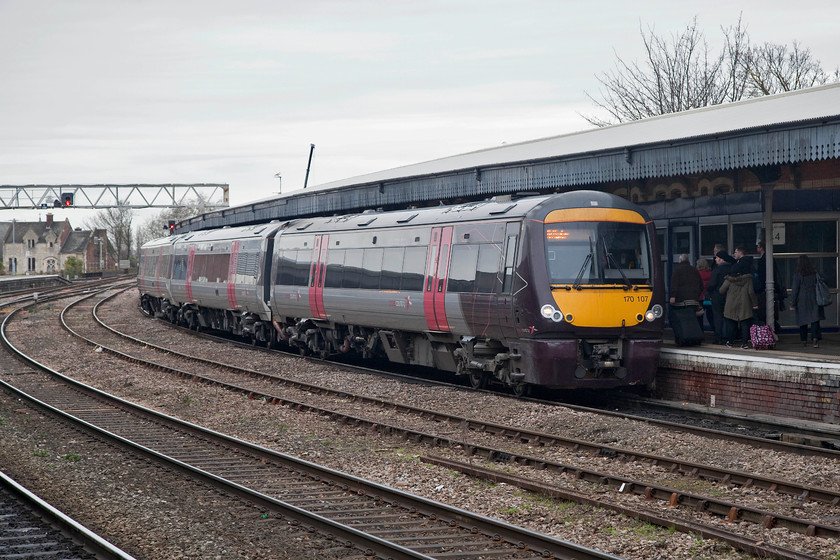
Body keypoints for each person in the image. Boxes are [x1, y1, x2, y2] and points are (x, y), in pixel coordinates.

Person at [719, 260, 758, 349]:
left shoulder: (729, 280)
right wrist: (754, 304)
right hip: (745, 304)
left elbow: (721, 290)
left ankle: (730, 342)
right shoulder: (748, 279)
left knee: (731, 324)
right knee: (744, 324)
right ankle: (744, 343)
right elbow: (751, 292)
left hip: (731, 304)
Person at [789, 254, 824, 348]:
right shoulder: (814, 272)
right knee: (814, 319)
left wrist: (792, 302)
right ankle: (815, 339)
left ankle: (804, 340)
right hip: (814, 297)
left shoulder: (798, 274)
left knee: (802, 321)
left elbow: (795, 289)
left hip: (802, 299)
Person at [755, 241, 785, 333]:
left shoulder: (764, 260)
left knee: (764, 310)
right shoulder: (769, 259)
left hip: (765, 289)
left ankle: (772, 329)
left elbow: (762, 274)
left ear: (761, 248)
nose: (757, 249)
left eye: (758, 247)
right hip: (771, 288)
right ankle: (773, 328)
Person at [708, 252, 732, 344]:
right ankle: (729, 337)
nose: (715, 259)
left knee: (718, 317)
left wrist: (710, 291)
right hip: (729, 296)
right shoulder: (731, 268)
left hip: (717, 296)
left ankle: (719, 338)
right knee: (729, 317)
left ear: (721, 259)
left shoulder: (717, 270)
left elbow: (711, 284)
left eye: (717, 258)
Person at [696, 258, 712, 330]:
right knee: (710, 316)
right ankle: (717, 334)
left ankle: (700, 333)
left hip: (700, 297)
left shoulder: (698, 274)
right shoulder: (711, 273)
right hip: (708, 297)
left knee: (699, 316)